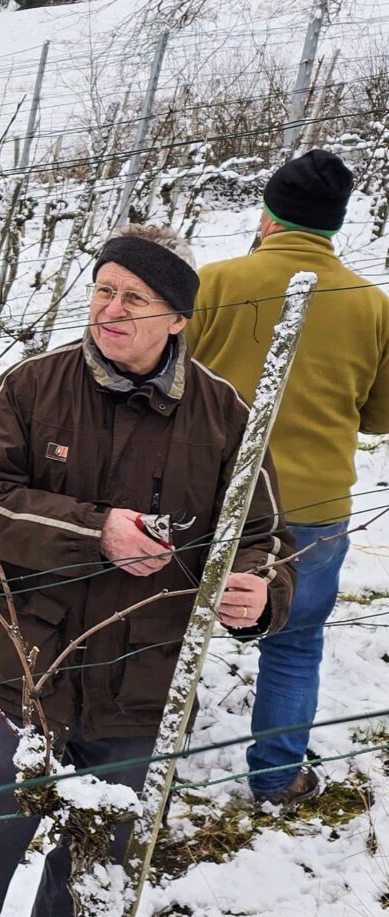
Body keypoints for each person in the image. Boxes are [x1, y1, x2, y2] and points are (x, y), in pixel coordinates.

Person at [0, 224, 296, 917]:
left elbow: (265, 532)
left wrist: (260, 588)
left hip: (143, 691)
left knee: (92, 884)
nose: (111, 311)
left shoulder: (222, 416)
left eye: (135, 297)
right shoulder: (33, 385)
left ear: (179, 318)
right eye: (103, 290)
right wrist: (95, 531)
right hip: (18, 675)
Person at [187, 149, 389, 808]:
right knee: (296, 642)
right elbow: (381, 416)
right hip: (311, 505)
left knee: (160, 625)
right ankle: (278, 776)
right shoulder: (371, 305)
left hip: (205, 496)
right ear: (334, 225)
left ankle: (136, 756)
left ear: (268, 214)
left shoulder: (214, 283)